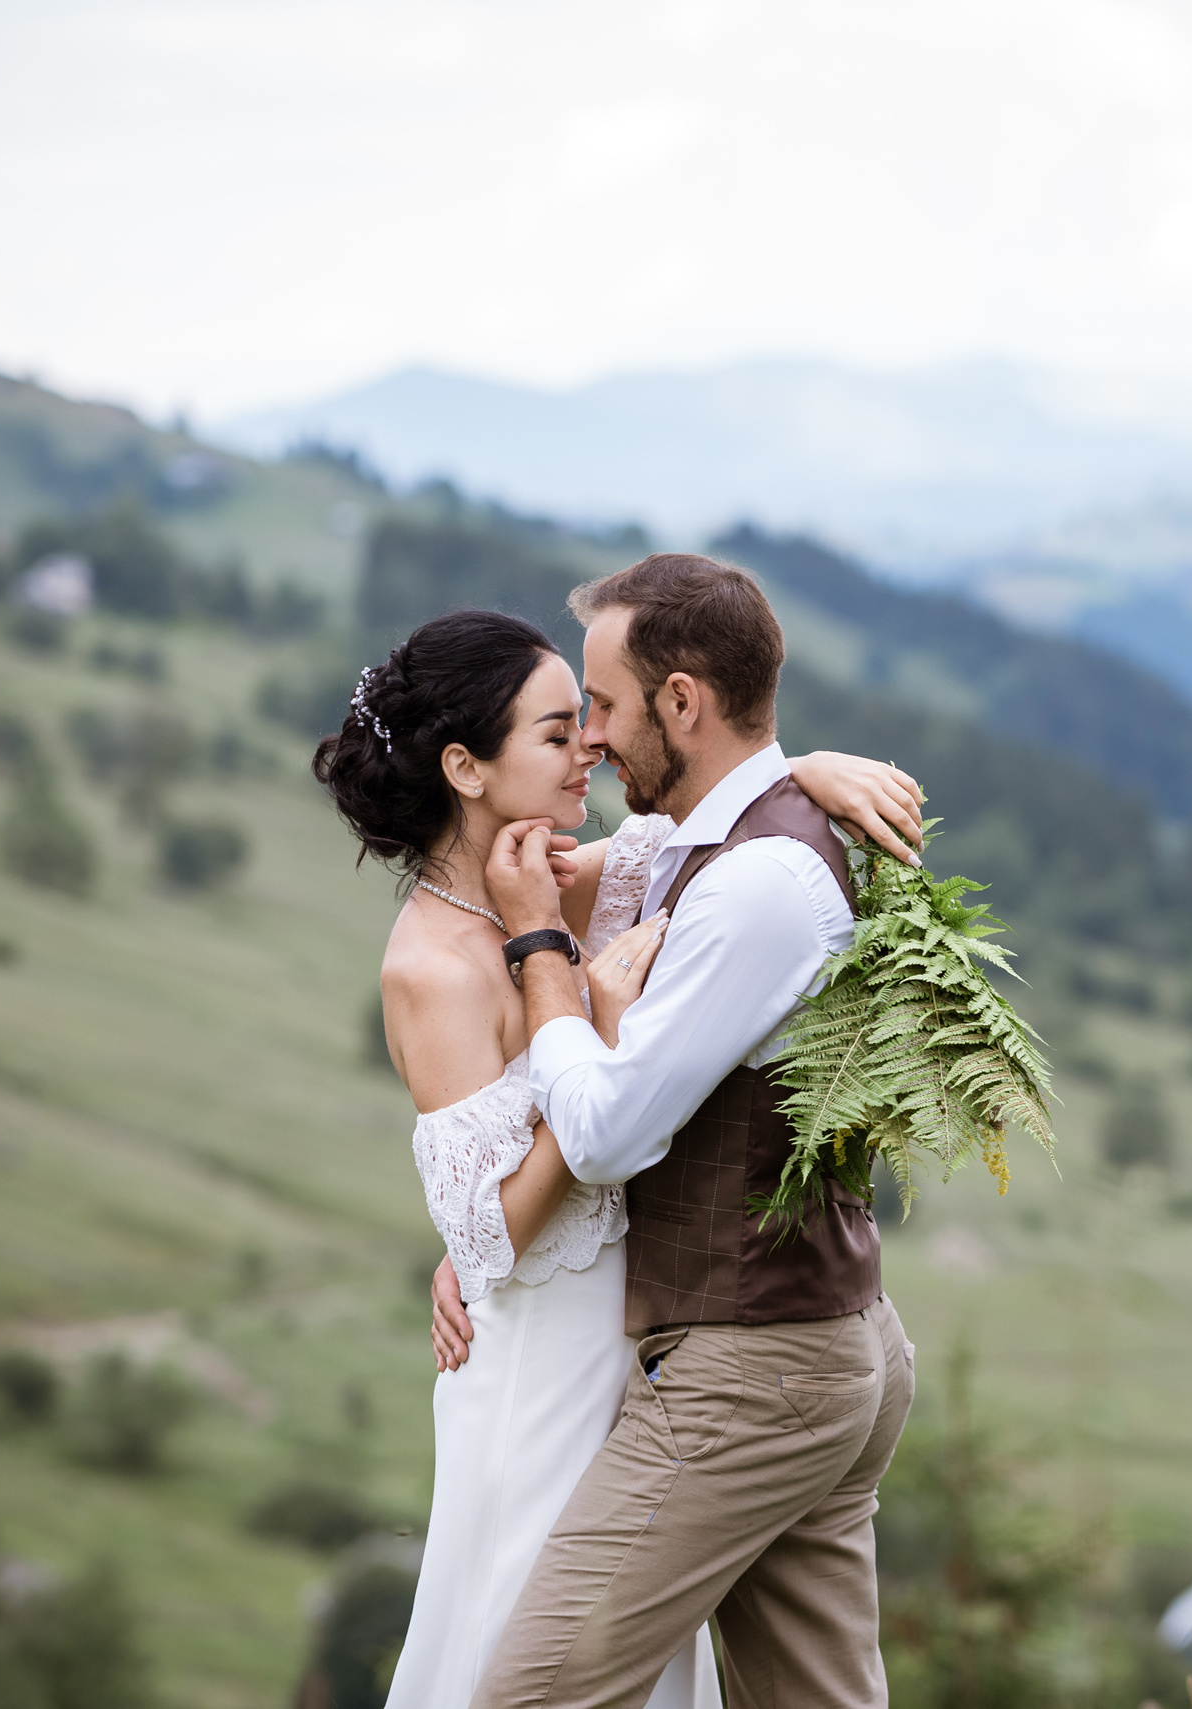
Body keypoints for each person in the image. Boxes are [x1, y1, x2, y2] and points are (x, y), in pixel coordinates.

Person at [311, 607, 923, 1709]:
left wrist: (811, 769)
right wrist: (588, 1010)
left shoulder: (556, 881)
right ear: (466, 766)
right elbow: (496, 1226)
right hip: (545, 1368)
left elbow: (712, 826)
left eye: (589, 718)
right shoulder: (434, 968)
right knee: (521, 1651)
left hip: (642, 1352)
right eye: (557, 732)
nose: (588, 747)